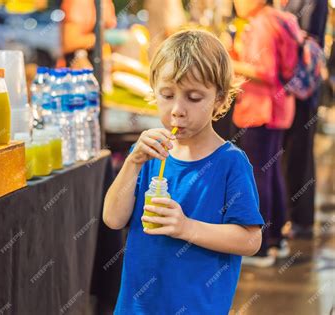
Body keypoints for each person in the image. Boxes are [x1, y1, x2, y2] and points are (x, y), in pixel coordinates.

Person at [103, 29, 263, 314]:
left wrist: (186, 227)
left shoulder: (231, 163)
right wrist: (132, 163)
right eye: (167, 95)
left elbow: (250, 240)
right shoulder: (148, 154)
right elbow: (113, 219)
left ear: (219, 99)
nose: (177, 110)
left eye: (194, 97)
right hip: (136, 306)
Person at [231, 0, 300, 267]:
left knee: (258, 175)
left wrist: (231, 64)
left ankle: (260, 249)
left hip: (261, 109)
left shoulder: (261, 24)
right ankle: (277, 240)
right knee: (271, 173)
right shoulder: (281, 19)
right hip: (279, 108)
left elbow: (265, 72)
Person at [282, 0, 329, 238]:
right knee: (290, 154)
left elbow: (309, 39)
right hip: (291, 89)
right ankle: (294, 217)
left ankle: (301, 220)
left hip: (303, 89)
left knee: (299, 152)